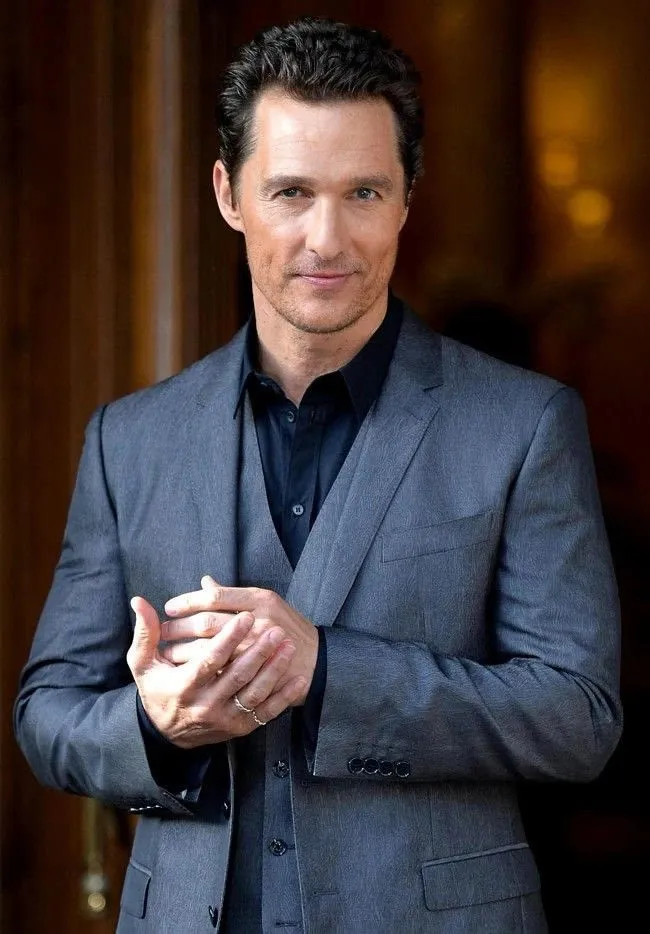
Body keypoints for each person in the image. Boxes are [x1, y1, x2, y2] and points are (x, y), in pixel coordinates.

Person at [14, 17, 622, 934]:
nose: (327, 238)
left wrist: (331, 673)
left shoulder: (524, 424)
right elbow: (47, 717)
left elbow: (579, 717)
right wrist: (155, 727)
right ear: (229, 194)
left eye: (363, 192)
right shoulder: (129, 439)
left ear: (407, 197)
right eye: (291, 192)